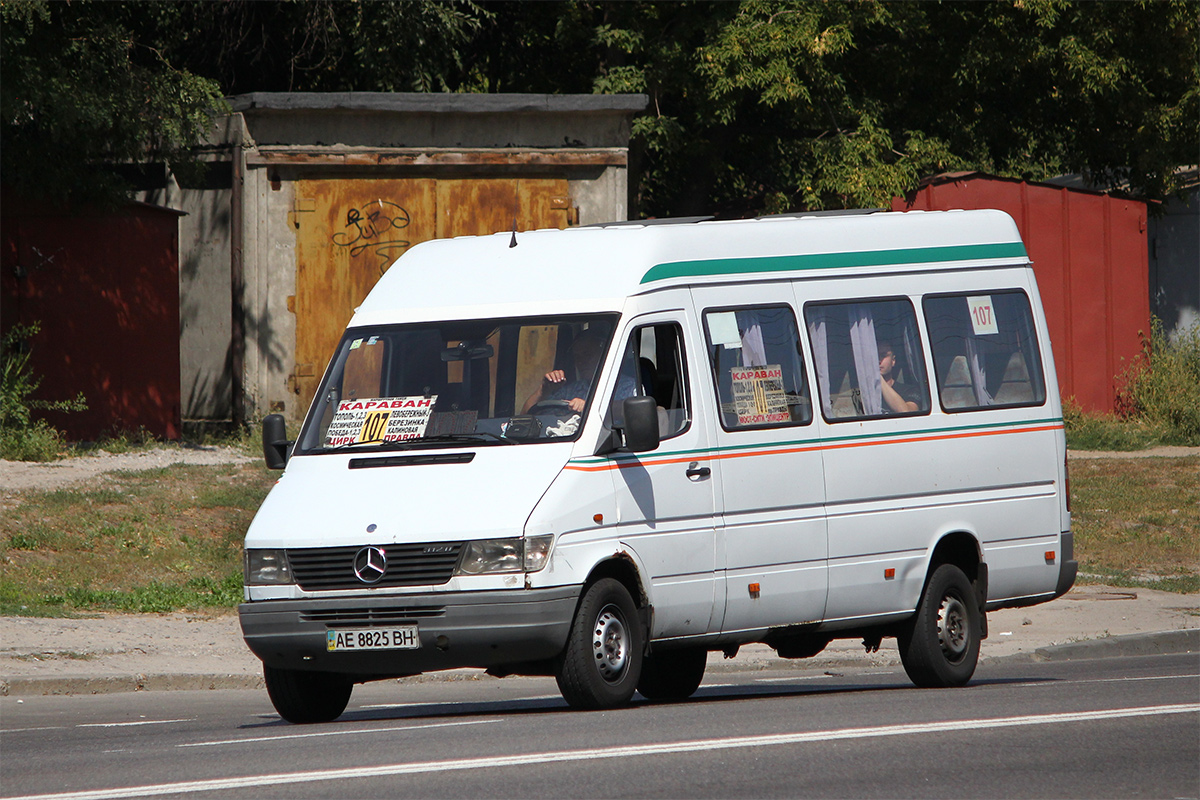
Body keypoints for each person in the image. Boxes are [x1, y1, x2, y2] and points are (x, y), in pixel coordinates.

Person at [522, 331, 635, 414]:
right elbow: (525, 415)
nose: (581, 362)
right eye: (577, 357)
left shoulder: (627, 385)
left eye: (587, 355)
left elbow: (633, 410)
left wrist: (589, 407)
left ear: (603, 355)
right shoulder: (570, 391)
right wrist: (543, 391)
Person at [878, 341, 920, 414]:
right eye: (874, 356)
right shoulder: (863, 394)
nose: (878, 360)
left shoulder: (909, 390)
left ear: (893, 361)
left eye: (883, 355)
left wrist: (877, 377)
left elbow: (906, 412)